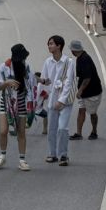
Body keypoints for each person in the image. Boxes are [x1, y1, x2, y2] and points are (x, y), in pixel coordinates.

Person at [0, 43, 37, 171]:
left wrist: (43, 81)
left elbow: (32, 79)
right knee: (3, 131)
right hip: (6, 102)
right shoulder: (4, 67)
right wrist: (7, 82)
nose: (24, 59)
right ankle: (2, 156)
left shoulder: (26, 67)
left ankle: (22, 160)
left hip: (22, 102)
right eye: (22, 57)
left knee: (21, 132)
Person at [40, 34, 76, 166]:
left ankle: (63, 155)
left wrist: (61, 100)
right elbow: (45, 81)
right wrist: (40, 98)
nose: (49, 46)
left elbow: (69, 82)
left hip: (65, 102)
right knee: (52, 129)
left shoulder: (69, 62)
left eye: (51, 44)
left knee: (62, 128)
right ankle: (52, 154)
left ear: (59, 46)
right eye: (48, 44)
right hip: (52, 100)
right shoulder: (47, 62)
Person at [69, 40, 102, 140]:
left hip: (92, 91)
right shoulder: (80, 58)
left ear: (74, 50)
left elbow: (87, 78)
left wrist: (80, 91)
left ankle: (94, 132)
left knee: (92, 112)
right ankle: (79, 133)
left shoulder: (85, 59)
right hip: (84, 92)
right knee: (81, 110)